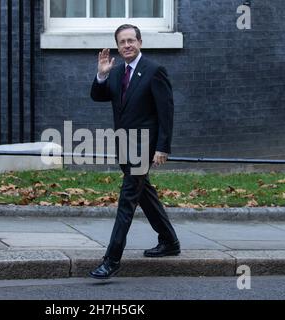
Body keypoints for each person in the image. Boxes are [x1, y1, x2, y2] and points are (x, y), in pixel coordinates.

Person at [89, 24, 180, 280]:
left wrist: (163, 146)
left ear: (140, 42)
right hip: (124, 145)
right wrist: (101, 74)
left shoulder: (154, 71)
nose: (127, 45)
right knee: (144, 194)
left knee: (128, 199)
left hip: (145, 146)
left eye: (131, 40)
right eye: (122, 42)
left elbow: (166, 111)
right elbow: (97, 96)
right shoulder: (116, 72)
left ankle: (112, 259)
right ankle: (170, 241)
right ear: (117, 46)